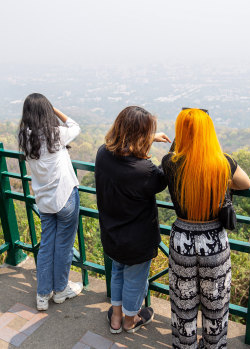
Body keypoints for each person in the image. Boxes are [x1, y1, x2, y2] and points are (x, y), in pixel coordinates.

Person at [161, 108, 250, 349]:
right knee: (216, 301)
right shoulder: (223, 162)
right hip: (214, 240)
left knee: (183, 302)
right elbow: (246, 183)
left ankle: (185, 345)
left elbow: (174, 156)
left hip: (182, 239)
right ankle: (213, 345)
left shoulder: (170, 162)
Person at [95, 106, 171, 334]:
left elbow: (124, 151)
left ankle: (116, 319)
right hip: (136, 241)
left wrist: (146, 138)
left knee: (117, 271)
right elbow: (161, 179)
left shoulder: (102, 154)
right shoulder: (144, 170)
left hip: (112, 235)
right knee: (135, 280)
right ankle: (130, 320)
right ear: (140, 135)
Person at [18, 93, 83, 311]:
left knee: (47, 245)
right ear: (46, 112)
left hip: (44, 201)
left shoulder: (26, 138)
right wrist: (54, 110)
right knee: (63, 246)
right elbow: (75, 126)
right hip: (65, 197)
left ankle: (43, 295)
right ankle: (61, 291)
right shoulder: (55, 134)